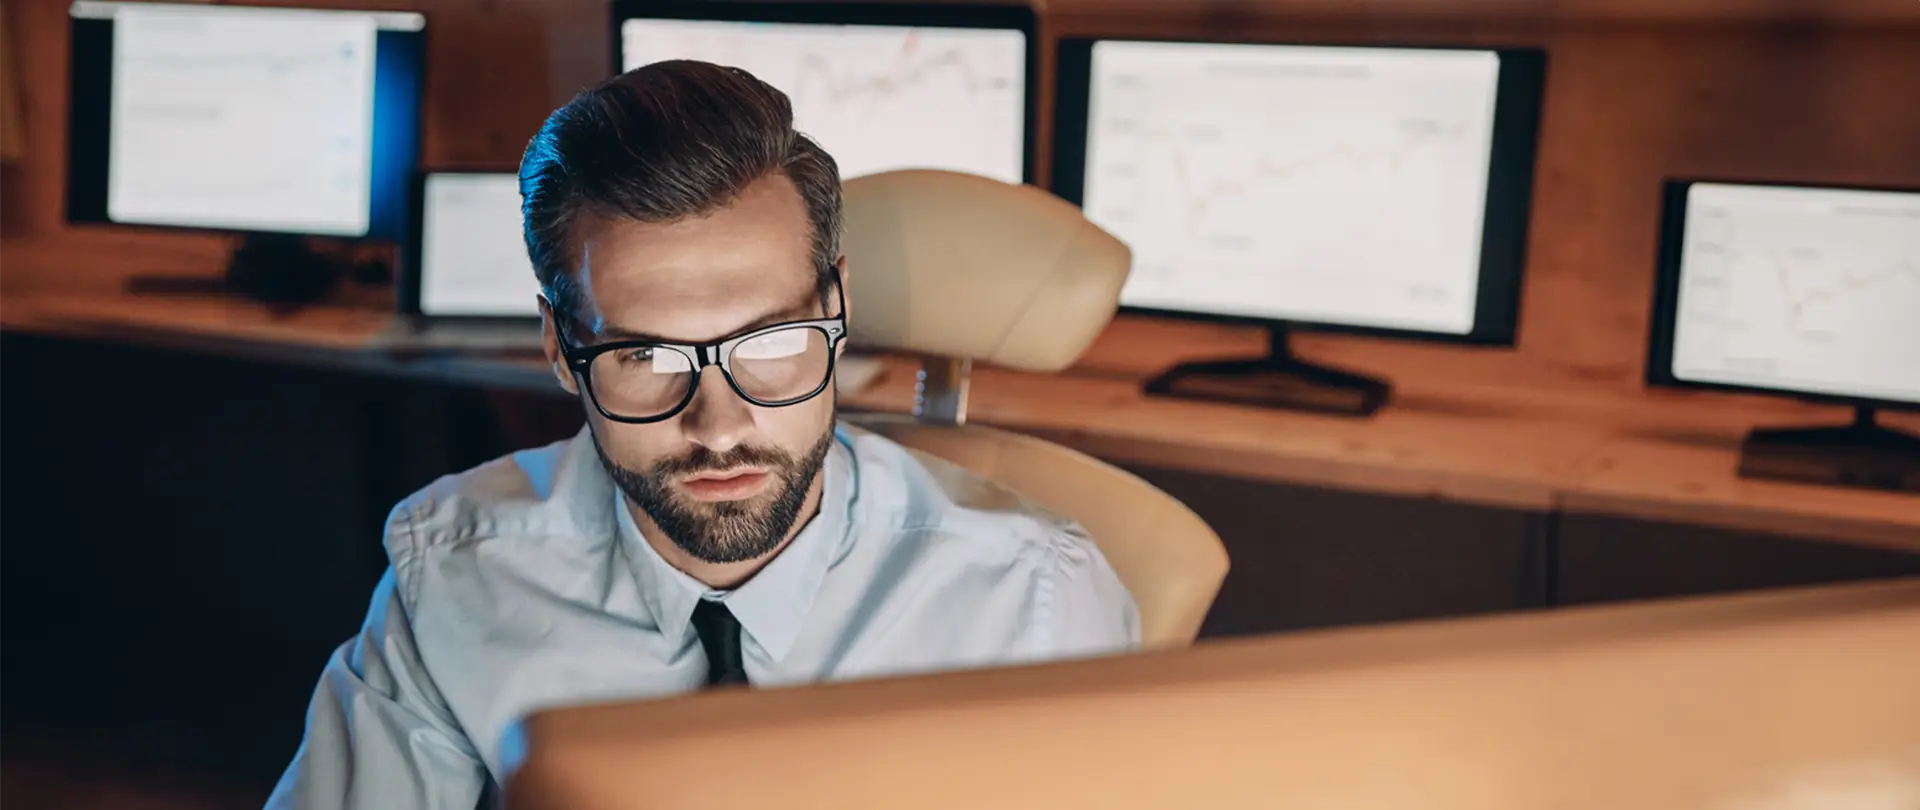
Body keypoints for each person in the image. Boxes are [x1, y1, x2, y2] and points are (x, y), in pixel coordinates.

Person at [264, 60, 1138, 809]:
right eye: (646, 355)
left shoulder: (1034, 600)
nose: (719, 427)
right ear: (562, 351)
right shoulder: (456, 572)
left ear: (836, 306)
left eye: (768, 344)